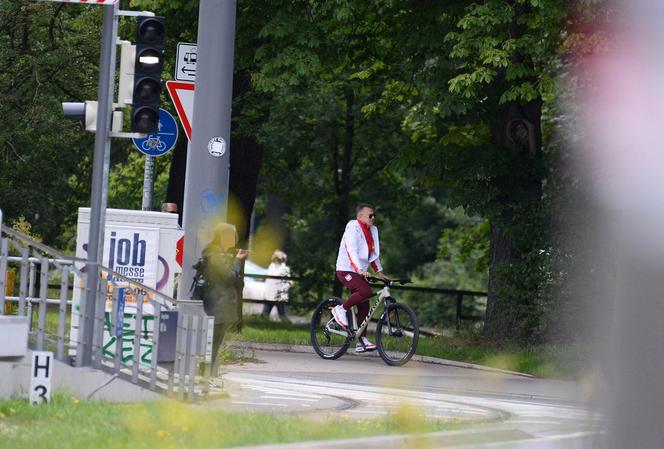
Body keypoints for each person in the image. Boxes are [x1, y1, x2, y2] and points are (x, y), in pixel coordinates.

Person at [332, 203, 389, 353]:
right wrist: (358, 269)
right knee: (365, 291)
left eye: (374, 215)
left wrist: (379, 271)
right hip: (346, 270)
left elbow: (373, 254)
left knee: (364, 305)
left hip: (359, 271)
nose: (373, 218)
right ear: (360, 216)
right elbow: (352, 251)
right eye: (370, 215)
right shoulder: (353, 228)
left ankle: (361, 340)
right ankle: (340, 309)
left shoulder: (372, 231)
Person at [199, 222, 249, 376]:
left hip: (221, 303)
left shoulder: (219, 255)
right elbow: (229, 277)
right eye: (231, 235)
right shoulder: (216, 256)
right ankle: (207, 374)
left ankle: (209, 372)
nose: (235, 238)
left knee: (215, 342)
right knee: (214, 342)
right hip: (218, 303)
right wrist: (238, 260)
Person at [262, 250, 293, 322]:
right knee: (265, 314)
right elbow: (268, 280)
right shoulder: (271, 266)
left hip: (279, 296)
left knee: (282, 315)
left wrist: (282, 292)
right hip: (269, 295)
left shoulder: (284, 268)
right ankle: (262, 324)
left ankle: (288, 325)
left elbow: (289, 282)